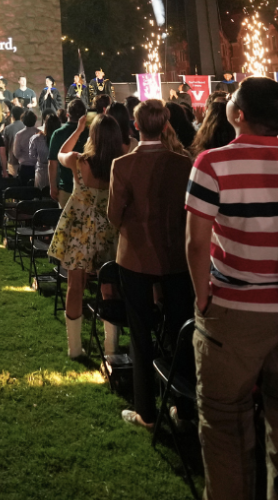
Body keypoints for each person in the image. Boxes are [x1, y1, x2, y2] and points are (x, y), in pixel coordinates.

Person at [185, 76, 278, 500]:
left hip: (233, 311)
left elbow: (196, 242)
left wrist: (203, 297)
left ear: (238, 114)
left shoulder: (212, 163)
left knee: (224, 428)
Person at [108, 99, 194, 430]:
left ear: (136, 126)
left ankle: (145, 409)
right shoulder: (183, 163)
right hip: (176, 256)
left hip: (136, 256)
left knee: (140, 331)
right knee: (179, 330)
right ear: (166, 125)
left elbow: (114, 215)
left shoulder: (123, 165)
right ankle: (183, 409)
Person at [49, 113, 120, 358]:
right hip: (107, 229)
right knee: (109, 287)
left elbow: (60, 153)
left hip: (78, 229)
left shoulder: (78, 161)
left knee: (75, 285)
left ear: (93, 136)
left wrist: (78, 130)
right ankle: (111, 349)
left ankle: (75, 348)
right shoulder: (119, 165)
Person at [48, 99, 89, 208]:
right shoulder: (90, 132)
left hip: (66, 187)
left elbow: (52, 163)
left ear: (67, 114)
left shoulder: (58, 133)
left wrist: (53, 186)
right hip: (88, 187)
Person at [30, 112, 60, 191]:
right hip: (58, 172)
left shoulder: (36, 138)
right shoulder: (62, 139)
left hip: (41, 172)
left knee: (40, 194)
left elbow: (32, 156)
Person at [11, 110, 40, 184]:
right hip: (37, 166)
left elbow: (16, 152)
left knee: (23, 188)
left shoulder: (19, 135)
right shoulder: (40, 134)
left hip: (24, 166)